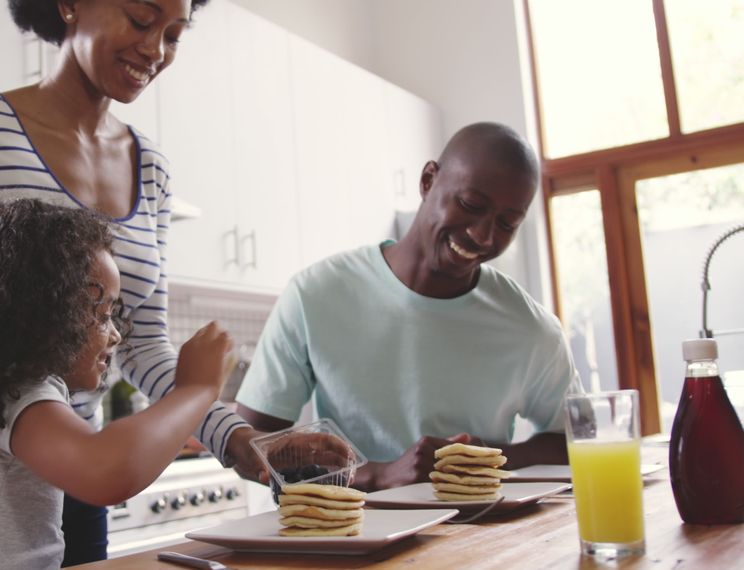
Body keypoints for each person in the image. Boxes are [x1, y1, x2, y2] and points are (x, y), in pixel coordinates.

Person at [0, 1, 266, 564]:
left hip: (71, 465)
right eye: (142, 19)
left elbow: (144, 347)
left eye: (174, 34)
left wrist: (238, 438)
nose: (155, 50)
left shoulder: (152, 168)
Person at [0, 200, 233, 569]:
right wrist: (195, 389)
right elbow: (106, 470)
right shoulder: (20, 391)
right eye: (102, 315)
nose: (116, 334)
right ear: (44, 314)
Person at [235, 122, 584, 491]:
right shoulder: (314, 295)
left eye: (507, 223)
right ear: (428, 180)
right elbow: (251, 448)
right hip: (353, 535)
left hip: (478, 536)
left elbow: (579, 440)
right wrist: (378, 475)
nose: (483, 235)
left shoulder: (532, 330)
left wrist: (485, 459)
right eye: (470, 205)